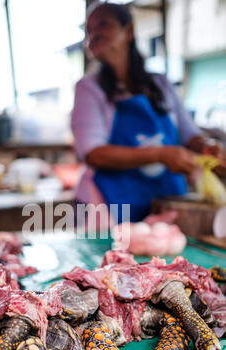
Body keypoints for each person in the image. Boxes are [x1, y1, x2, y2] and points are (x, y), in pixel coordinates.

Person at [71, 1, 226, 223]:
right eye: (89, 30)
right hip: (109, 211)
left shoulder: (161, 84)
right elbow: (93, 153)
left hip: (164, 207)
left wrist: (206, 146)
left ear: (129, 31)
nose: (93, 34)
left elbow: (188, 132)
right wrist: (162, 154)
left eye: (103, 25)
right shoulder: (89, 88)